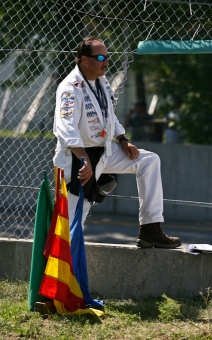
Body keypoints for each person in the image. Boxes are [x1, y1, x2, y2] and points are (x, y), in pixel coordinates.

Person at [53, 36, 181, 249]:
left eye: (108, 57)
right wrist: (84, 160)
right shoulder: (70, 87)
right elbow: (65, 128)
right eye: (101, 57)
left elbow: (109, 116)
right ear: (85, 60)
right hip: (77, 158)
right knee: (72, 221)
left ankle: (150, 229)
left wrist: (123, 139)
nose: (106, 62)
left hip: (103, 151)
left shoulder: (101, 81)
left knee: (148, 161)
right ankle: (60, 275)